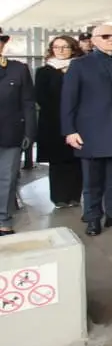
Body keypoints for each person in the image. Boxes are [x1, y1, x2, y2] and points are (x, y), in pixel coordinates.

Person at [60, 23, 112, 235]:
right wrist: (69, 130)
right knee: (92, 180)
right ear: (94, 40)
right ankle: (93, 218)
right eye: (106, 36)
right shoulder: (80, 65)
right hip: (90, 131)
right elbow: (69, 100)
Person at [34, 36, 83, 210]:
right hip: (53, 122)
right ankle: (59, 197)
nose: (61, 50)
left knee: (77, 160)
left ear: (73, 49)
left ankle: (75, 195)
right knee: (57, 162)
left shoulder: (80, 68)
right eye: (57, 47)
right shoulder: (44, 71)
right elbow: (41, 97)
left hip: (78, 121)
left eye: (65, 47)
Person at [0, 27, 36, 237]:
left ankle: (3, 219)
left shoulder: (18, 69)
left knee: (7, 178)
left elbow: (28, 103)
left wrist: (30, 132)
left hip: (10, 132)